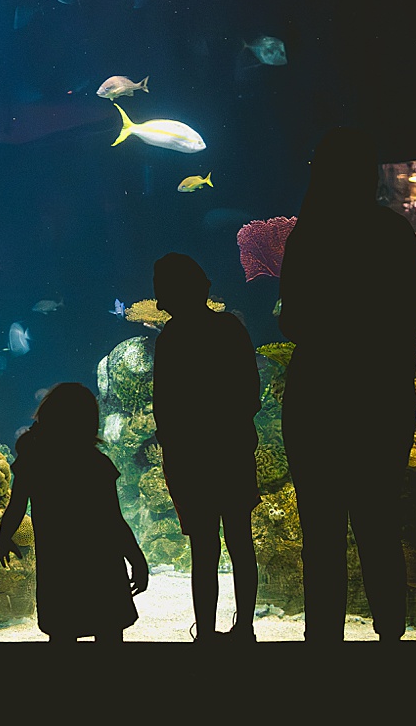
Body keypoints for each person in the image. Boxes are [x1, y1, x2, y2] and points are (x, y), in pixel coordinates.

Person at [276, 125, 416, 642]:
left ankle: (324, 643)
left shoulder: (310, 234)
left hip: (318, 398)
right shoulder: (395, 234)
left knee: (321, 537)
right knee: (380, 529)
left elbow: (293, 323)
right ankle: (390, 639)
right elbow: (409, 318)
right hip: (383, 400)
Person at [150, 252, 261, 643]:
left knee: (204, 551)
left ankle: (208, 635)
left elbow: (164, 409)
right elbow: (252, 395)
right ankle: (244, 628)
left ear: (165, 299)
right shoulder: (230, 329)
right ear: (204, 288)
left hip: (191, 460)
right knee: (240, 541)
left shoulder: (170, 340)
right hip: (231, 453)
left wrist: (177, 450)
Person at [0, 382, 148, 643]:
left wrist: (4, 538)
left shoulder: (33, 461)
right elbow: (113, 521)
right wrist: (136, 558)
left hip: (59, 567)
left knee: (62, 636)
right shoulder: (97, 463)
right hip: (101, 566)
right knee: (109, 633)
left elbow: (16, 506)